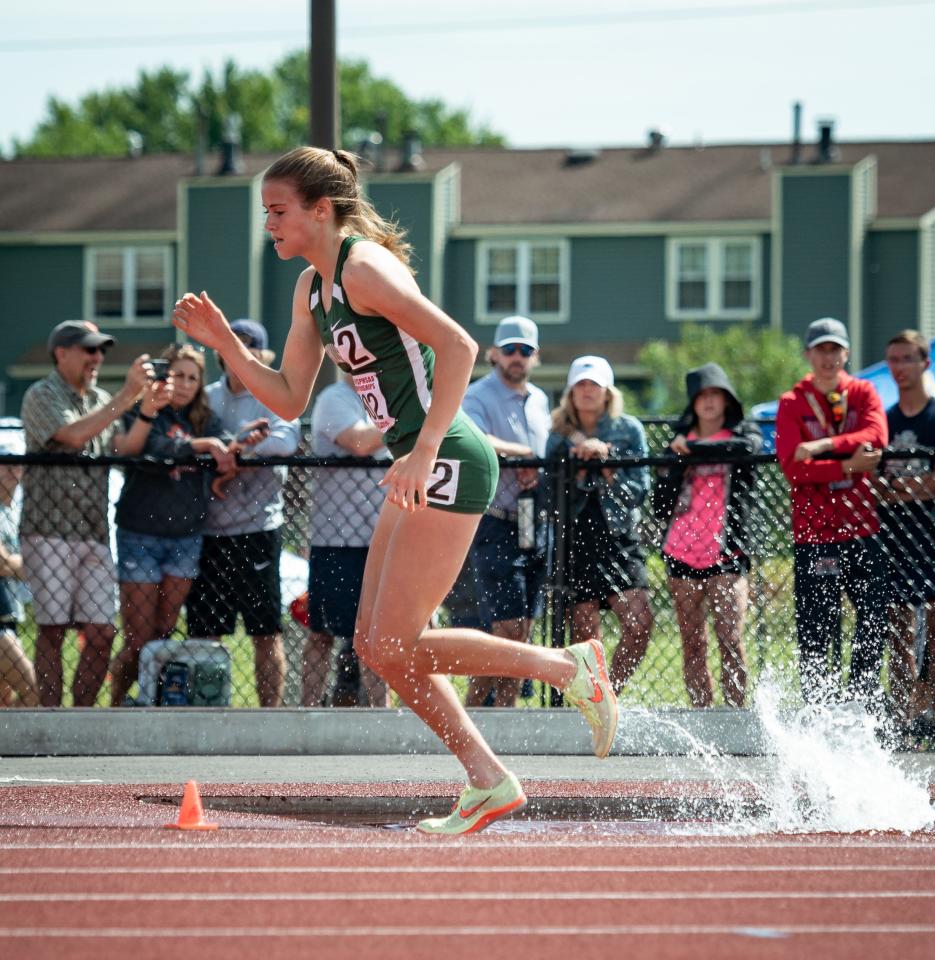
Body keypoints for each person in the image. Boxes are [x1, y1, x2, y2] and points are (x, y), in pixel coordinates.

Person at [172, 145, 616, 836]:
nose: (270, 225)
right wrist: (227, 344)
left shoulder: (363, 268)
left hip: (447, 459)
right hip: (417, 463)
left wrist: (425, 450)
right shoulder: (313, 290)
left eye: (280, 212)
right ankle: (487, 778)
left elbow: (462, 347)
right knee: (377, 646)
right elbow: (290, 398)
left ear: (322, 211)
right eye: (266, 213)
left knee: (397, 640)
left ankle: (566, 667)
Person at [108, 344, 257, 707]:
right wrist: (202, 445)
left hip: (186, 537)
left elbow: (222, 449)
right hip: (140, 533)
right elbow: (151, 450)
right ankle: (114, 705)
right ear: (164, 376)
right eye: (178, 375)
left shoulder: (204, 417)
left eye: (194, 377)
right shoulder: (144, 412)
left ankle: (150, 703)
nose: (186, 384)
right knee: (139, 637)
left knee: (163, 633)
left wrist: (240, 444)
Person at [20, 320, 153, 706]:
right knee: (52, 629)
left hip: (93, 530)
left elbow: (123, 447)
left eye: (100, 351)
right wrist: (127, 394)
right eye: (89, 350)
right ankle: (50, 720)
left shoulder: (102, 398)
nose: (97, 358)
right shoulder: (40, 394)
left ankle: (80, 719)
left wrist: (147, 409)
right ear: (61, 353)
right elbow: (72, 435)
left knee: (101, 632)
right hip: (48, 528)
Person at [185, 320, 301, 708]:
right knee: (205, 633)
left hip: (258, 529)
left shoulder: (274, 395)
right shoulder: (207, 397)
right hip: (208, 530)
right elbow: (184, 442)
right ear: (220, 352)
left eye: (248, 350)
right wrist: (230, 449)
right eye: (232, 348)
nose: (239, 357)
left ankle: (269, 718)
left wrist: (238, 455)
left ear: (262, 356)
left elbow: (286, 441)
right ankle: (207, 712)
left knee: (266, 632)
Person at [775, 317, 888, 708]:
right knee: (816, 630)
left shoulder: (863, 391)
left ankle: (861, 701)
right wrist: (847, 466)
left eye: (835, 349)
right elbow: (792, 468)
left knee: (874, 619)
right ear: (809, 354)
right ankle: (818, 710)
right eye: (821, 349)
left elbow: (876, 437)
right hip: (815, 534)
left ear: (847, 353)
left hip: (861, 527)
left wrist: (823, 446)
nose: (829, 357)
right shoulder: (792, 402)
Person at [654, 363, 762, 708]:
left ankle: (734, 714)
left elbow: (748, 450)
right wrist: (677, 459)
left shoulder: (742, 438)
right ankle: (702, 714)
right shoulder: (677, 444)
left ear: (727, 399)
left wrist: (694, 450)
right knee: (693, 641)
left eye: (716, 394)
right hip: (682, 551)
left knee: (730, 637)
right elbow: (659, 504)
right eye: (702, 395)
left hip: (727, 554)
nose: (709, 401)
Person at [545, 356, 654, 695]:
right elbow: (549, 498)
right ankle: (590, 706)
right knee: (585, 635)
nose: (587, 391)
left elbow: (639, 492)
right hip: (576, 540)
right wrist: (576, 472)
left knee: (640, 622)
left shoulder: (628, 429)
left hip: (619, 536)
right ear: (571, 392)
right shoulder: (558, 436)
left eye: (595, 385)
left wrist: (608, 468)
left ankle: (608, 695)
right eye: (580, 384)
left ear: (608, 392)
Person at [461, 315, 551, 707]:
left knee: (523, 629)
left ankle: (495, 716)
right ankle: (489, 714)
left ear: (535, 357)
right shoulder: (476, 395)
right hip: (494, 521)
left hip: (535, 522)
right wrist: (524, 456)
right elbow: (475, 439)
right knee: (506, 627)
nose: (517, 357)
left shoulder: (542, 400)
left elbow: (548, 451)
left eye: (525, 350)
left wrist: (536, 465)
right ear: (493, 353)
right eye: (510, 349)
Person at [877, 330, 935, 730]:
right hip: (894, 539)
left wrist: (897, 490)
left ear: (925, 363)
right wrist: (911, 489)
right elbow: (873, 483)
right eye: (893, 359)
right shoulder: (885, 421)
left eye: (907, 359)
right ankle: (905, 717)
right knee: (899, 630)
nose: (899, 367)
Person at [303, 376, 390, 707]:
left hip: (382, 540)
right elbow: (359, 441)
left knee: (378, 636)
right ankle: (307, 713)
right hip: (337, 539)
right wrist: (413, 426)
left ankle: (382, 718)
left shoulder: (388, 398)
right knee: (323, 633)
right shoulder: (333, 396)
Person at [0, 421, 39, 707]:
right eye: (4, 462)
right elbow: (2, 564)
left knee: (4, 700)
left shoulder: (18, 508)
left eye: (17, 463)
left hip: (10, 613)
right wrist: (39, 566)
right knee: (35, 690)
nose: (12, 469)